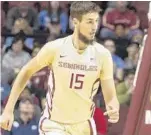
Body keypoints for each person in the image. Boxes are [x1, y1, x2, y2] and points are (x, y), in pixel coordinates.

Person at [0, 2, 119, 135]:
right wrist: (8, 109)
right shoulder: (55, 48)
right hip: (54, 123)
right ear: (75, 22)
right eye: (89, 22)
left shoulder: (103, 54)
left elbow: (110, 95)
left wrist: (113, 106)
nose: (94, 27)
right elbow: (25, 72)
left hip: (84, 125)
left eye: (96, 21)